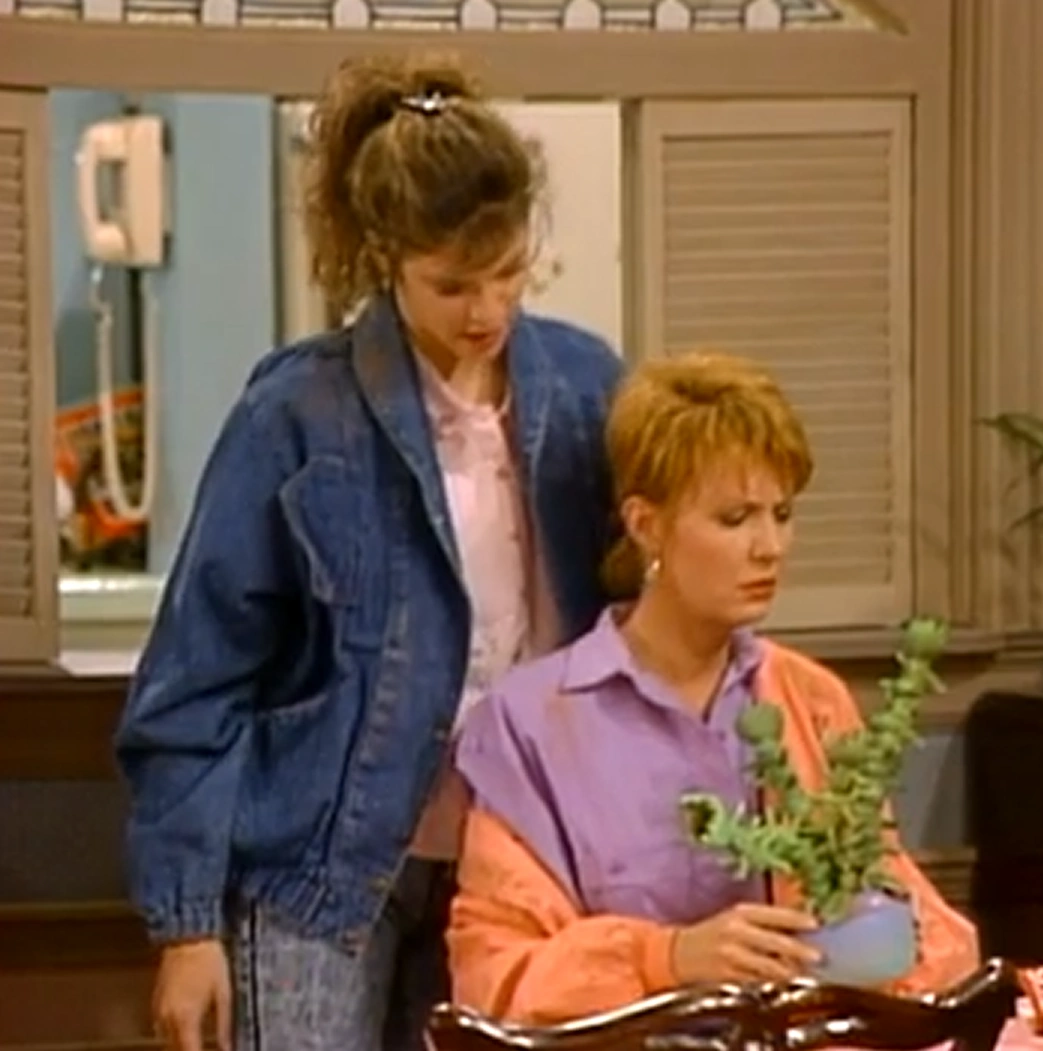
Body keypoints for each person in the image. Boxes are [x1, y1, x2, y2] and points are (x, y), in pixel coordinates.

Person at [113, 52, 623, 1051]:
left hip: (522, 853)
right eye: (452, 285)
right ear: (388, 259)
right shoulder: (297, 411)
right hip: (318, 864)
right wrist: (185, 925)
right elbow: (194, 683)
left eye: (510, 273)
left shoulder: (585, 387)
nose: (487, 311)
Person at [445, 353, 980, 1025]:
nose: (770, 546)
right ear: (646, 525)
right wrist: (665, 958)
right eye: (735, 518)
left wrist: (874, 943)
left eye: (781, 513)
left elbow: (913, 918)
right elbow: (493, 980)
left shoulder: (809, 701)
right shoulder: (531, 724)